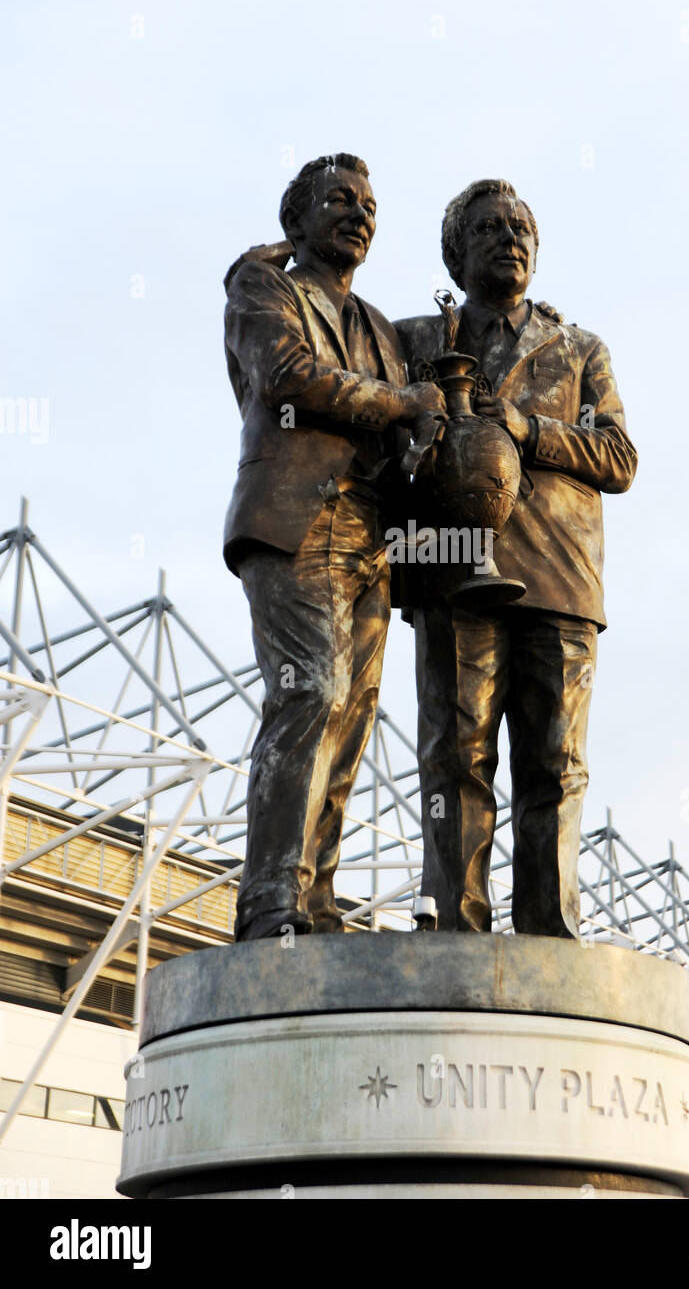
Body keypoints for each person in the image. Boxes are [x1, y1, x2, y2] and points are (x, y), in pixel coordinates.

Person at [394, 179, 637, 938]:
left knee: (555, 768)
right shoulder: (415, 341)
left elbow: (620, 458)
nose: (511, 239)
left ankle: (550, 935)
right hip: (452, 574)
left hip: (559, 580)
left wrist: (529, 430)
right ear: (455, 252)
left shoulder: (578, 350)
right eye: (491, 228)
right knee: (454, 760)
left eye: (522, 228)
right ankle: (455, 931)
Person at [223, 153, 445, 940]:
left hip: (368, 537)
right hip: (292, 520)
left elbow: (402, 427)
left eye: (370, 207)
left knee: (349, 718)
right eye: (341, 201)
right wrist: (400, 402)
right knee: (309, 692)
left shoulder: (381, 328)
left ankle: (314, 900)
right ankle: (267, 901)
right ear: (298, 220)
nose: (360, 215)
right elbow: (287, 375)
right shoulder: (263, 288)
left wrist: (422, 436)